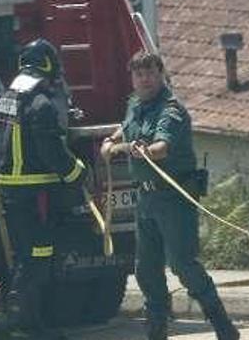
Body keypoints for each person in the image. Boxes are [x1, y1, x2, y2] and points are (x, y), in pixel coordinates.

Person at [101, 51, 238, 340]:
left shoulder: (170, 109)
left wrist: (131, 150)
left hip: (173, 199)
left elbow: (160, 147)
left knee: (183, 265)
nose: (145, 79)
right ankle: (156, 331)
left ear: (161, 73)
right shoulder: (135, 105)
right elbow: (126, 127)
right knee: (147, 270)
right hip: (146, 201)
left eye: (150, 73)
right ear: (133, 78)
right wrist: (112, 140)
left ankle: (224, 329)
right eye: (139, 74)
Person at [0, 38, 87, 340]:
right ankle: (25, 326)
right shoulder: (42, 103)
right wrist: (76, 173)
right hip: (35, 195)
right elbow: (50, 151)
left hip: (14, 192)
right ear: (49, 65)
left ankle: (28, 323)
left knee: (26, 257)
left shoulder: (10, 96)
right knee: (37, 257)